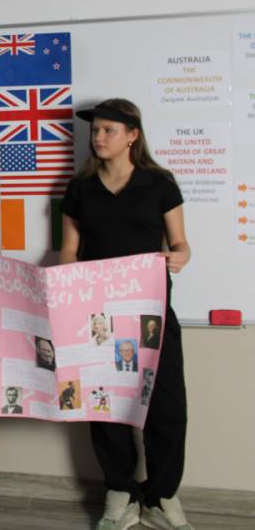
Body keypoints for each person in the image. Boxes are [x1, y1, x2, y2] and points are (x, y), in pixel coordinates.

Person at [60, 98, 192, 530]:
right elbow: (69, 249)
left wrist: (179, 256)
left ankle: (161, 497)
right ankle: (120, 492)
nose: (98, 137)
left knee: (167, 409)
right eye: (95, 130)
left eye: (108, 130)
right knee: (105, 406)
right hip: (98, 320)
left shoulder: (160, 183)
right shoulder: (80, 188)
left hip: (152, 316)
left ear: (132, 136)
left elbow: (181, 244)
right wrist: (69, 280)